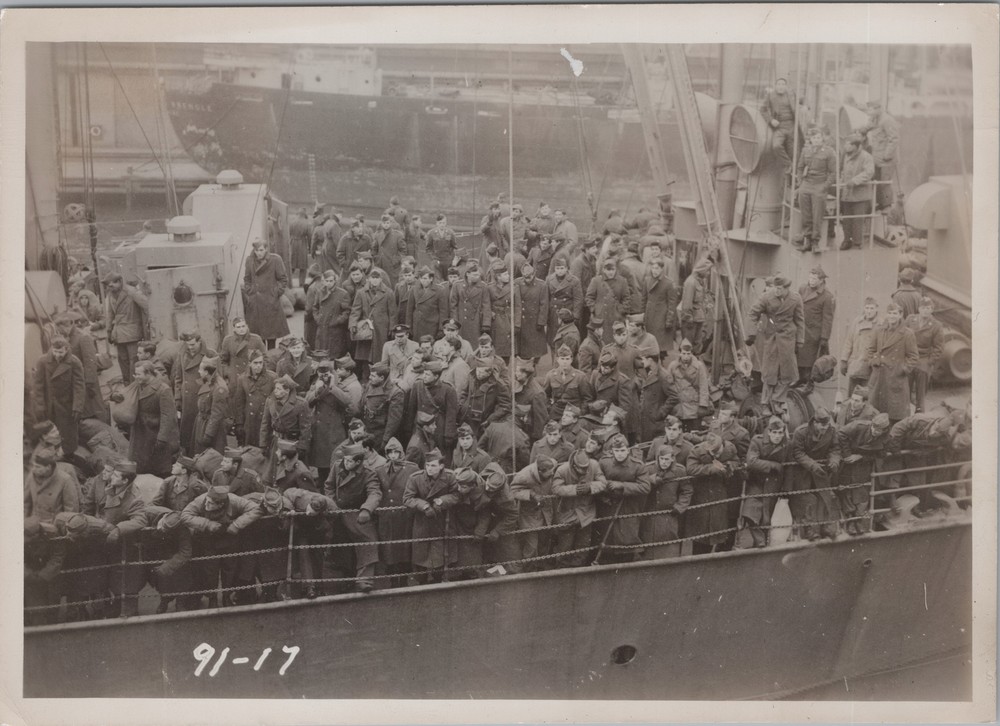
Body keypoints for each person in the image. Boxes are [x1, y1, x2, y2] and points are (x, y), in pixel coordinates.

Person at [323, 443, 381, 593]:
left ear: (358, 462)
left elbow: (374, 492)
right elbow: (328, 485)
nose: (346, 463)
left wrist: (367, 509)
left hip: (356, 512)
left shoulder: (368, 473)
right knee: (341, 548)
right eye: (345, 460)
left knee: (369, 541)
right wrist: (331, 503)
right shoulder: (338, 466)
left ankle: (364, 580)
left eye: (349, 461)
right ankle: (344, 579)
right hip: (337, 511)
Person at [747, 275, 804, 413]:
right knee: (769, 373)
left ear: (786, 288)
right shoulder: (767, 297)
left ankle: (778, 400)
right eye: (775, 288)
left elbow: (800, 320)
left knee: (786, 373)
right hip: (772, 338)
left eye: (779, 289)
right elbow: (753, 313)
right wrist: (751, 333)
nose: (776, 291)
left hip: (788, 339)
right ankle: (765, 403)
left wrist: (800, 340)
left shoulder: (796, 299)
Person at [403, 449, 459, 584]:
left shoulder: (450, 476)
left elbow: (457, 495)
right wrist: (424, 506)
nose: (429, 468)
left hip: (442, 522)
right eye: (427, 465)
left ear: (441, 466)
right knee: (421, 557)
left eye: (433, 465)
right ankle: (421, 583)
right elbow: (407, 498)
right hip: (423, 522)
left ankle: (438, 581)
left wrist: (442, 501)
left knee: (441, 557)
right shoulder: (415, 478)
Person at [595, 434, 651, 564]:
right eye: (616, 451)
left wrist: (622, 485)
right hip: (607, 506)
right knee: (606, 541)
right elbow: (596, 480)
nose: (619, 454)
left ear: (628, 450)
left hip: (628, 507)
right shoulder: (604, 463)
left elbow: (645, 487)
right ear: (612, 451)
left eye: (622, 450)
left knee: (626, 542)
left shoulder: (638, 466)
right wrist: (605, 489)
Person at [789, 407, 841, 541]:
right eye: (822, 426)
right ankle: (809, 529)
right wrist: (812, 465)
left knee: (825, 496)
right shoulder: (801, 432)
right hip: (803, 472)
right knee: (808, 500)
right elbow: (798, 453)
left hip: (821, 471)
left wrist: (834, 460)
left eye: (827, 425)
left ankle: (825, 527)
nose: (825, 429)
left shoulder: (831, 431)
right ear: (815, 423)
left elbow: (835, 448)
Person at [373, 438, 418, 587]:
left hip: (405, 515)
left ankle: (404, 580)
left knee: (405, 548)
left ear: (401, 452)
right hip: (387, 516)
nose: (393, 455)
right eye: (390, 452)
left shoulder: (412, 469)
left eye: (396, 452)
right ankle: (393, 581)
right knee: (389, 549)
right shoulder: (380, 471)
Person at [837, 412, 891, 535]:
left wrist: (861, 456)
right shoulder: (858, 426)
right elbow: (841, 433)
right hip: (847, 463)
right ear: (871, 424)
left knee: (862, 492)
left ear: (884, 430)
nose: (875, 432)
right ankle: (850, 520)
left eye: (879, 430)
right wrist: (847, 455)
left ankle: (859, 520)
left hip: (863, 465)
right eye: (874, 428)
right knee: (846, 489)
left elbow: (881, 454)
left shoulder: (887, 438)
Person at [685, 433, 739, 554]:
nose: (716, 455)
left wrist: (731, 466)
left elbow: (737, 461)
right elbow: (690, 469)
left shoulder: (730, 448)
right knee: (702, 534)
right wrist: (711, 468)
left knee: (720, 531)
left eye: (717, 452)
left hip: (721, 494)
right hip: (702, 494)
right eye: (713, 453)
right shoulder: (697, 451)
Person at [741, 417, 792, 547]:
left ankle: (761, 545)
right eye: (774, 432)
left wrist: (786, 488)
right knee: (750, 513)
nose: (777, 436)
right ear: (768, 432)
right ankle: (760, 542)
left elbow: (789, 467)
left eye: (780, 433)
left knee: (766, 517)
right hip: (756, 483)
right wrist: (773, 465)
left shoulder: (787, 445)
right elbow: (752, 461)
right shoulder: (757, 441)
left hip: (774, 485)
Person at [551, 451, 607, 567]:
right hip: (567, 514)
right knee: (565, 548)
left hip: (586, 514)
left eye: (587, 468)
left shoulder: (594, 465)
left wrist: (590, 487)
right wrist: (575, 490)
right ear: (574, 466)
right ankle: (562, 572)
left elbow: (603, 483)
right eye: (582, 469)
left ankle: (579, 571)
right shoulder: (562, 470)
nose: (586, 471)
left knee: (582, 548)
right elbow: (556, 488)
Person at [865, 302, 919, 424]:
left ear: (900, 315)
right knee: (876, 412)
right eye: (889, 313)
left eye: (895, 313)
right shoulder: (879, 330)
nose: (891, 316)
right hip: (879, 376)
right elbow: (870, 350)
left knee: (895, 414)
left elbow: (913, 357)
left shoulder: (907, 333)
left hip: (896, 378)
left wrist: (902, 369)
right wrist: (875, 361)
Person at [33, 336, 86, 456]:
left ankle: (68, 456)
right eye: (55, 351)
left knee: (69, 434)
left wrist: (77, 406)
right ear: (51, 349)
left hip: (67, 404)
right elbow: (38, 387)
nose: (57, 355)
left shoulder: (74, 362)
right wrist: (40, 406)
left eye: (60, 352)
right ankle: (50, 457)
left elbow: (79, 387)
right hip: (49, 405)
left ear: (66, 349)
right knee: (49, 435)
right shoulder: (42, 361)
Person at [638, 444, 691, 559]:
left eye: (667, 459)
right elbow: (639, 486)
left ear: (672, 458)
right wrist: (650, 480)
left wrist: (679, 507)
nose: (664, 462)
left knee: (668, 547)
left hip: (669, 514)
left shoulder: (679, 471)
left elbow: (686, 491)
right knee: (648, 547)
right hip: (650, 514)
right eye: (661, 459)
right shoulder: (648, 469)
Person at [509, 455, 559, 570]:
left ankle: (540, 567)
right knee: (531, 546)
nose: (552, 474)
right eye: (549, 473)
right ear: (540, 471)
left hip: (545, 512)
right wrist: (531, 494)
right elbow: (512, 491)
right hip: (529, 515)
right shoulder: (524, 476)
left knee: (544, 542)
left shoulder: (551, 465)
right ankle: (527, 569)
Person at [54, 312, 106, 422]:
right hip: (77, 381)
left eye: (62, 329)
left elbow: (90, 363)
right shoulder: (68, 338)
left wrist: (90, 383)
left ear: (69, 325)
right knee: (83, 410)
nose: (60, 333)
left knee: (95, 409)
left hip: (86, 382)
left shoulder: (83, 338)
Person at [173, 331, 218, 456]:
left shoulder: (210, 354)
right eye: (188, 344)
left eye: (193, 344)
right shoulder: (182, 353)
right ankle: (188, 458)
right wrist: (177, 398)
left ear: (199, 341)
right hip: (187, 400)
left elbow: (216, 378)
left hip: (203, 398)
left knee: (202, 432)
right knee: (187, 433)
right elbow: (178, 377)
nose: (190, 347)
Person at [350, 268, 398, 382]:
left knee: (380, 355)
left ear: (381, 279)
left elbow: (392, 313)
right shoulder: (361, 292)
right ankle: (366, 379)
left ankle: (380, 379)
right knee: (365, 356)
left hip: (381, 329)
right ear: (368, 279)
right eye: (373, 278)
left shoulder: (388, 292)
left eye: (377, 278)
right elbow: (355, 310)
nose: (375, 281)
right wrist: (352, 324)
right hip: (366, 329)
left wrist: (392, 328)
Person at [794, 127, 837, 252]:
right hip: (806, 184)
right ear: (810, 139)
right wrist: (800, 182)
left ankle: (815, 243)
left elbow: (833, 173)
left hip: (820, 184)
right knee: (806, 214)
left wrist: (824, 186)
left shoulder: (829, 152)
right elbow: (800, 167)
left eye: (819, 137)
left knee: (817, 215)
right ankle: (807, 241)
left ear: (822, 138)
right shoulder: (805, 150)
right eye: (814, 138)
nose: (817, 140)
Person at [242, 238, 290, 347]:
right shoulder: (249, 260)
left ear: (266, 249)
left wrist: (275, 293)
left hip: (270, 302)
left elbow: (283, 279)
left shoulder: (275, 260)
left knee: (271, 336)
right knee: (259, 337)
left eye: (261, 250)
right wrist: (250, 291)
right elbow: (247, 279)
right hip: (255, 303)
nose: (258, 253)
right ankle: (262, 360)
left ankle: (271, 359)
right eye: (256, 250)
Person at [407, 359, 459, 457]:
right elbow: (411, 410)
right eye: (424, 374)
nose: (424, 377)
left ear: (436, 376)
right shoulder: (417, 385)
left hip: (439, 429)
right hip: (420, 428)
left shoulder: (448, 390)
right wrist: (408, 430)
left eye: (427, 375)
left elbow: (451, 415)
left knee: (439, 456)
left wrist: (448, 436)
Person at [103, 273, 148, 383]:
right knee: (122, 360)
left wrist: (147, 325)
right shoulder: (111, 294)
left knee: (133, 360)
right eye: (108, 286)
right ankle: (127, 385)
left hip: (132, 333)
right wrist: (108, 331)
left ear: (119, 282)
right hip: (119, 334)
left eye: (111, 285)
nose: (109, 288)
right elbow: (110, 314)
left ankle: (135, 385)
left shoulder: (131, 292)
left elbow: (146, 305)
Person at [260, 374, 314, 465]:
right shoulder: (270, 401)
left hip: (292, 444)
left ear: (287, 391)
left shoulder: (300, 404)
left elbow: (306, 428)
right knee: (273, 472)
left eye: (279, 389)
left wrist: (302, 448)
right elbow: (265, 424)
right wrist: (263, 444)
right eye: (275, 388)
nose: (275, 391)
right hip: (275, 443)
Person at [218, 317, 267, 416]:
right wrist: (228, 374)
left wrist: (259, 372)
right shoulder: (228, 340)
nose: (241, 329)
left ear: (247, 326)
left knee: (251, 405)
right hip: (234, 379)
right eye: (238, 327)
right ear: (234, 329)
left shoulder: (256, 339)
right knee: (236, 404)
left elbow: (265, 358)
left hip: (252, 377)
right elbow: (223, 361)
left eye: (243, 326)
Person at [905, 296, 944, 413]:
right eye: (923, 307)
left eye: (928, 308)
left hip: (924, 359)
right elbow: (902, 337)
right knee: (904, 389)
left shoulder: (936, 325)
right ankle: (904, 413)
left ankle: (919, 414)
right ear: (919, 308)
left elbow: (939, 348)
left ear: (932, 309)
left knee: (920, 394)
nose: (925, 310)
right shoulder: (910, 320)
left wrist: (929, 362)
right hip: (909, 358)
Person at [798, 267, 836, 384]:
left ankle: (809, 383)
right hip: (801, 330)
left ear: (821, 280)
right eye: (810, 277)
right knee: (799, 357)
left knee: (811, 361)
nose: (811, 280)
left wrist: (824, 338)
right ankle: (799, 379)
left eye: (814, 278)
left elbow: (827, 319)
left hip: (814, 334)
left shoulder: (827, 296)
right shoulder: (803, 289)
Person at [859, 100, 900, 210]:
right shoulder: (875, 119)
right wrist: (861, 130)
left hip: (886, 160)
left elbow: (894, 139)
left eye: (870, 109)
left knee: (884, 183)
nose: (868, 112)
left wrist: (887, 155)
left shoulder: (887, 120)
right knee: (876, 182)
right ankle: (878, 204)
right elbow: (868, 127)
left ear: (878, 109)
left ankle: (886, 206)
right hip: (876, 158)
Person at [838, 133, 876, 249]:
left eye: (848, 144)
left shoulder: (866, 157)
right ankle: (846, 240)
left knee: (858, 220)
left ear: (855, 145)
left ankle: (857, 243)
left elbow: (869, 172)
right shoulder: (845, 156)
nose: (845, 146)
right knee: (846, 219)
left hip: (860, 195)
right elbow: (842, 171)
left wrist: (855, 181)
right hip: (847, 194)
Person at [664, 339, 711, 431]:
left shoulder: (699, 366)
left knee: (694, 432)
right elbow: (668, 385)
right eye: (684, 353)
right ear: (680, 353)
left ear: (692, 353)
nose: (686, 357)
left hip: (694, 405)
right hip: (679, 407)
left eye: (688, 353)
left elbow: (703, 387)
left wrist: (703, 405)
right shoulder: (673, 366)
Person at [232, 349, 276, 448]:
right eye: (255, 363)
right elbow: (239, 404)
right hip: (250, 422)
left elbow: (275, 402)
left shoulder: (272, 378)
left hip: (266, 421)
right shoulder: (242, 379)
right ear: (249, 364)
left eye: (260, 362)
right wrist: (239, 424)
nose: (258, 366)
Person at [631, 352, 677, 444]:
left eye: (643, 359)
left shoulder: (663, 376)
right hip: (646, 419)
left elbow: (674, 396)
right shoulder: (648, 372)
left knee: (655, 448)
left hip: (656, 422)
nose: (642, 362)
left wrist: (661, 412)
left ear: (650, 360)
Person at [24, 448, 80, 523]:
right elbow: (26, 503)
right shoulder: (31, 476)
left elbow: (71, 510)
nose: (33, 469)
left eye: (38, 467)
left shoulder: (65, 480)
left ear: (48, 467)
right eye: (33, 466)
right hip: (33, 525)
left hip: (54, 526)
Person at [359, 361, 405, 451]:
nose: (369, 378)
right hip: (367, 429)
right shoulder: (371, 384)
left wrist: (385, 440)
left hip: (379, 434)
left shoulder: (395, 393)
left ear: (382, 378)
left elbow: (393, 421)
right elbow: (362, 404)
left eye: (373, 376)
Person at [839, 297, 880, 396]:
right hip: (855, 365)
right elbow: (849, 341)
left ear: (876, 309)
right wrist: (844, 360)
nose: (869, 311)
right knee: (852, 395)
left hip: (869, 367)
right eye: (867, 308)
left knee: (866, 396)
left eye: (871, 308)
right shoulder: (857, 322)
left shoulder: (880, 324)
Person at [586, 258, 632, 345]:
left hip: (616, 317)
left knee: (617, 341)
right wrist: (595, 309)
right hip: (601, 318)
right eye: (608, 270)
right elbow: (589, 297)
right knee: (601, 341)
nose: (610, 272)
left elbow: (627, 298)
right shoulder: (596, 281)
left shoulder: (622, 281)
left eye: (613, 269)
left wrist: (621, 310)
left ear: (616, 269)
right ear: (603, 269)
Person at [461, 357, 511, 436]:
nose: (479, 373)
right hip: (466, 419)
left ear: (489, 372)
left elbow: (505, 406)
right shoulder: (471, 377)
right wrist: (463, 406)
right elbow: (464, 393)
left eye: (482, 371)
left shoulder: (498, 385)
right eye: (478, 370)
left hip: (483, 423)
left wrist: (490, 419)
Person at [641, 258, 679, 360]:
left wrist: (669, 320)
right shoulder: (647, 280)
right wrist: (642, 315)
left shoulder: (668, 283)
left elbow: (672, 303)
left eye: (657, 268)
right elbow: (643, 299)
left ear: (662, 268)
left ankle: (659, 360)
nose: (654, 270)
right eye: (652, 268)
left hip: (661, 316)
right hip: (650, 315)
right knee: (649, 341)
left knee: (660, 343)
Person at [543, 345, 593, 421]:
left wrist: (581, 412)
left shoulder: (580, 376)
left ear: (571, 360)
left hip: (573, 413)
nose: (565, 362)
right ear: (557, 359)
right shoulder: (551, 375)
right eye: (562, 359)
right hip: (556, 413)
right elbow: (545, 395)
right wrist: (550, 408)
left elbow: (587, 398)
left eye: (567, 359)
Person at [191, 356, 229, 456]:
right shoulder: (208, 382)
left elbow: (216, 415)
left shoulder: (219, 388)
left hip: (211, 429)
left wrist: (208, 435)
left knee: (210, 459)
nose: (199, 372)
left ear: (207, 372)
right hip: (202, 424)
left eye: (200, 369)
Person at [313, 269, 353, 359]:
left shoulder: (342, 294)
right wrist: (318, 318)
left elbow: (347, 311)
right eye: (327, 281)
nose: (329, 283)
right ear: (323, 281)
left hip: (335, 330)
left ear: (335, 281)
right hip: (322, 328)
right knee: (321, 354)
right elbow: (315, 307)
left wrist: (338, 320)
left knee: (335, 355)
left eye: (331, 281)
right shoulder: (320, 292)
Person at [761, 77, 798, 171]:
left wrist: (804, 108)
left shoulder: (791, 94)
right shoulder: (770, 96)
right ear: (775, 86)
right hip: (779, 127)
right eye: (779, 84)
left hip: (792, 126)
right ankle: (788, 164)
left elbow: (801, 102)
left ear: (786, 86)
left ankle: (793, 175)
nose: (781, 86)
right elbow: (763, 110)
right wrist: (771, 120)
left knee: (793, 151)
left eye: (783, 84)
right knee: (776, 146)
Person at [450, 261, 491, 344]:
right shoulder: (457, 285)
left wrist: (486, 324)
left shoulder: (483, 286)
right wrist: (454, 322)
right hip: (461, 321)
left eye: (478, 274)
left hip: (476, 321)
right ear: (467, 274)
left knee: (474, 344)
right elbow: (453, 306)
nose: (477, 277)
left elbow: (486, 305)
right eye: (475, 275)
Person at [514, 264, 549, 362]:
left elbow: (544, 304)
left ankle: (534, 365)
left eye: (529, 276)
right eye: (525, 277)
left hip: (535, 320)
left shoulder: (542, 285)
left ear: (534, 274)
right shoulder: (517, 283)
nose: (527, 279)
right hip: (523, 320)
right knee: (524, 350)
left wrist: (541, 321)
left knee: (536, 349)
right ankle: (525, 365)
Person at [486, 262, 518, 358]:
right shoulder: (490, 288)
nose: (508, 276)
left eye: (508, 274)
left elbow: (518, 306)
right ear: (498, 277)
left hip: (508, 319)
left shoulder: (514, 288)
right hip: (495, 320)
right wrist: (490, 312)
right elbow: (486, 304)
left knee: (507, 349)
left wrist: (517, 323)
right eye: (505, 274)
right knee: (496, 348)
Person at [408, 266, 448, 340]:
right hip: (418, 325)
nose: (423, 281)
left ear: (431, 279)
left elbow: (443, 312)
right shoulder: (414, 289)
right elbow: (409, 310)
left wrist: (441, 329)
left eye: (425, 278)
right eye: (421, 278)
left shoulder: (440, 291)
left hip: (432, 326)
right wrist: (409, 327)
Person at [679, 264, 708, 350]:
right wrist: (688, 319)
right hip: (691, 319)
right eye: (707, 271)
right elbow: (687, 303)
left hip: (698, 317)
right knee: (687, 345)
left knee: (697, 343)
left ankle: (695, 360)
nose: (708, 273)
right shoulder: (691, 282)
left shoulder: (700, 281)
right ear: (701, 271)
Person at [426, 214, 458, 281]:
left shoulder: (450, 233)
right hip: (436, 261)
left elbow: (455, 247)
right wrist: (433, 259)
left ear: (446, 223)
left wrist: (453, 259)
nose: (442, 225)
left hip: (448, 261)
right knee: (436, 280)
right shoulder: (431, 233)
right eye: (440, 223)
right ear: (437, 223)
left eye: (443, 223)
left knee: (448, 280)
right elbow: (428, 249)